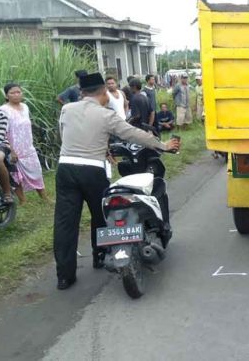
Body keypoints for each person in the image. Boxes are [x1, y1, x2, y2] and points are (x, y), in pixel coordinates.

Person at [54, 73, 180, 290]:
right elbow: (132, 134)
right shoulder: (107, 115)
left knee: (65, 223)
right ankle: (100, 255)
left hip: (65, 169)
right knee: (102, 215)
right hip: (93, 170)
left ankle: (65, 277)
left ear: (81, 93)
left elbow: (65, 134)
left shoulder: (66, 109)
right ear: (103, 93)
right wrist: (163, 145)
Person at [0, 83, 49, 204]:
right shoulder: (3, 110)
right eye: (12, 93)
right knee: (16, 176)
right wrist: (11, 150)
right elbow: (3, 132)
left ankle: (44, 197)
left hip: (28, 147)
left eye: (18, 92)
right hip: (14, 148)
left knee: (36, 170)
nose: (16, 95)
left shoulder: (25, 107)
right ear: (6, 95)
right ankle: (23, 200)